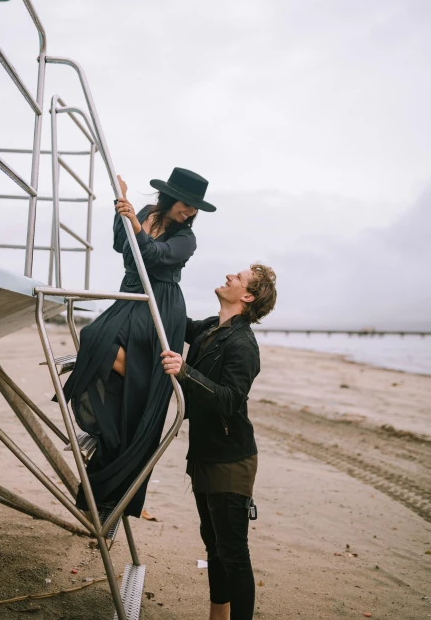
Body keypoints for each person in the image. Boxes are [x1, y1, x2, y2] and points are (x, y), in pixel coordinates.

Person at [62, 167, 216, 516]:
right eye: (187, 204)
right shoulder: (147, 213)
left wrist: (134, 224)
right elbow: (122, 245)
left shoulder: (187, 239)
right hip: (130, 296)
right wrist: (123, 203)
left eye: (195, 208)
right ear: (169, 196)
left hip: (159, 306)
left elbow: (154, 256)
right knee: (94, 341)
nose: (190, 212)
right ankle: (115, 427)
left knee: (97, 341)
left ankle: (138, 387)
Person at [161, 263, 277, 620]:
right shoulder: (212, 328)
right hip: (206, 453)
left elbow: (230, 399)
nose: (229, 275)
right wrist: (164, 271)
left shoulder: (243, 343)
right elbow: (173, 317)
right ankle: (218, 616)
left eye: (238, 277)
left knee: (233, 554)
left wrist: (185, 371)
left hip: (231, 459)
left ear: (247, 296)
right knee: (213, 546)